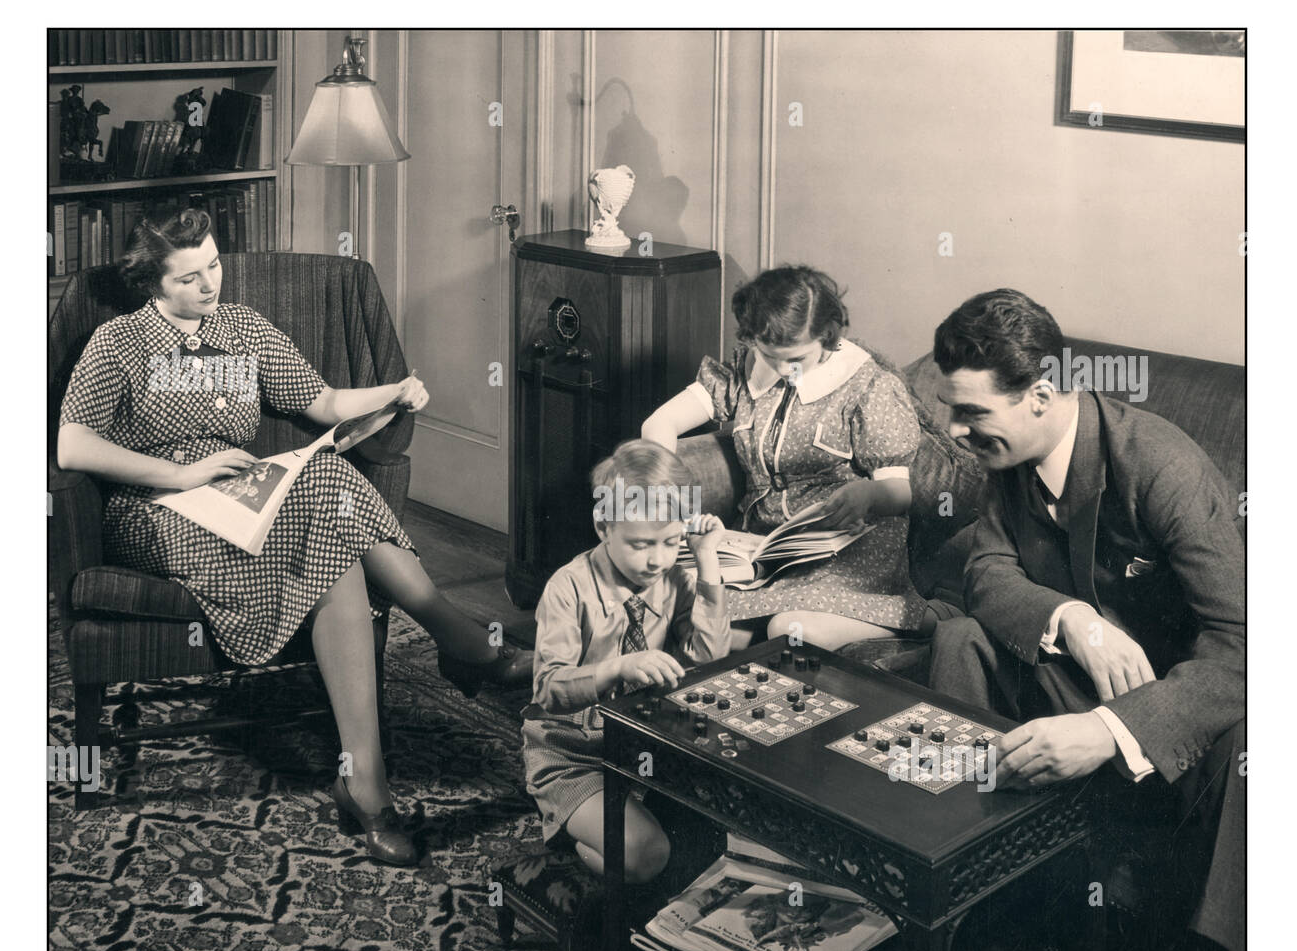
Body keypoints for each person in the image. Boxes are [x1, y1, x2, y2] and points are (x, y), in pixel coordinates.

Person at [56, 206, 533, 867]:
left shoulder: (244, 328)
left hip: (244, 498)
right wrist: (181, 471)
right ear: (153, 285)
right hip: (155, 508)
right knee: (324, 504)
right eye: (190, 277)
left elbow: (323, 403)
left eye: (215, 265)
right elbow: (72, 444)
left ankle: (364, 780)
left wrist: (390, 391)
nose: (210, 285)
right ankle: (456, 642)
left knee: (326, 498)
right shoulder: (118, 343)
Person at [926, 288, 1245, 951]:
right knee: (960, 641)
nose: (954, 430)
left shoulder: (1162, 465)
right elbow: (986, 570)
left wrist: (1108, 729)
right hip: (1080, 675)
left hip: (1178, 712)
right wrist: (1072, 620)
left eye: (970, 411)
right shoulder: (1009, 456)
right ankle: (971, 889)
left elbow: (1247, 644)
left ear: (1040, 397)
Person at [642, 265, 968, 650]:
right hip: (762, 545)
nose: (781, 370)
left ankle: (927, 618)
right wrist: (675, 503)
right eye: (769, 356)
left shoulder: (869, 386)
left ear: (827, 337)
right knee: (700, 624)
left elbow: (900, 492)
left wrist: (868, 494)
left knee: (791, 631)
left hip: (846, 552)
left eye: (795, 359)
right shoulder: (747, 367)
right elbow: (658, 424)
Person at [522, 439, 730, 882]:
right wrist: (615, 668)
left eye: (672, 541)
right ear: (603, 527)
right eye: (640, 544)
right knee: (648, 856)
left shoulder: (675, 577)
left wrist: (707, 559)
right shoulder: (567, 588)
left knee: (721, 833)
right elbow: (547, 689)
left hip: (647, 749)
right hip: (574, 757)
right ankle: (574, 839)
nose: (657, 559)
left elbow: (709, 660)